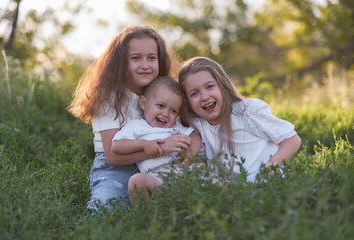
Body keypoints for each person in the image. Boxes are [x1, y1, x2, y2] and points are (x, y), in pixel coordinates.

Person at [67, 25, 192, 212]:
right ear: (121, 62)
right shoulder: (109, 97)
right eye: (135, 58)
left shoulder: (163, 94)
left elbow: (190, 128)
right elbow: (112, 155)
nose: (145, 65)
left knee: (180, 205)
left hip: (161, 165)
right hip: (117, 167)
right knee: (106, 211)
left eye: (152, 58)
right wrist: (162, 147)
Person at [178, 57, 302, 182]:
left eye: (209, 86)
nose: (204, 97)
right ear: (187, 102)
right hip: (233, 192)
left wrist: (268, 170)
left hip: (267, 183)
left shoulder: (246, 111)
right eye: (194, 93)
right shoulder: (198, 125)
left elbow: (292, 140)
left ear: (222, 85)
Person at [111, 76, 201, 204]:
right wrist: (144, 144)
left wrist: (189, 154)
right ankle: (145, 218)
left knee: (205, 172)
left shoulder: (176, 126)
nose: (165, 114)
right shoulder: (136, 126)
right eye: (160, 106)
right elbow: (116, 146)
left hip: (182, 172)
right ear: (143, 103)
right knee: (136, 181)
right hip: (157, 178)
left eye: (173, 111)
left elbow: (194, 136)